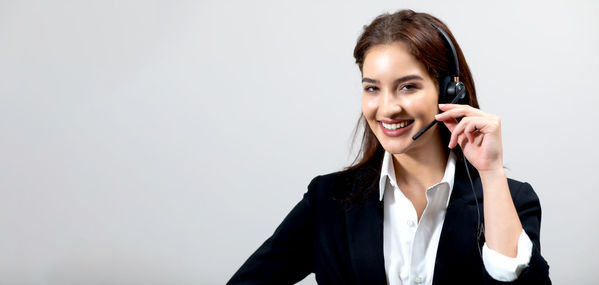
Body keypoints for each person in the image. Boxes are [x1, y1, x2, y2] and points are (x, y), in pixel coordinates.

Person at [228, 9, 550, 285]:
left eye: (407, 87)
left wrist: (490, 173)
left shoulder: (510, 200)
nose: (387, 108)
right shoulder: (327, 201)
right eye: (372, 88)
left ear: (451, 92)